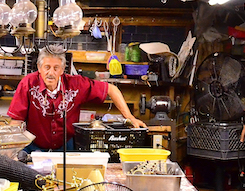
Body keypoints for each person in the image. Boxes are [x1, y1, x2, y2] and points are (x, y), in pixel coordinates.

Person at [8, 45, 147, 153]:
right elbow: (16, 121)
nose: (51, 73)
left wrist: (130, 117)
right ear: (39, 68)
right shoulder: (28, 84)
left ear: (62, 70)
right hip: (34, 148)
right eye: (47, 67)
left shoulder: (75, 84)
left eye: (56, 68)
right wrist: (12, 149)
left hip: (67, 148)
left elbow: (111, 89)